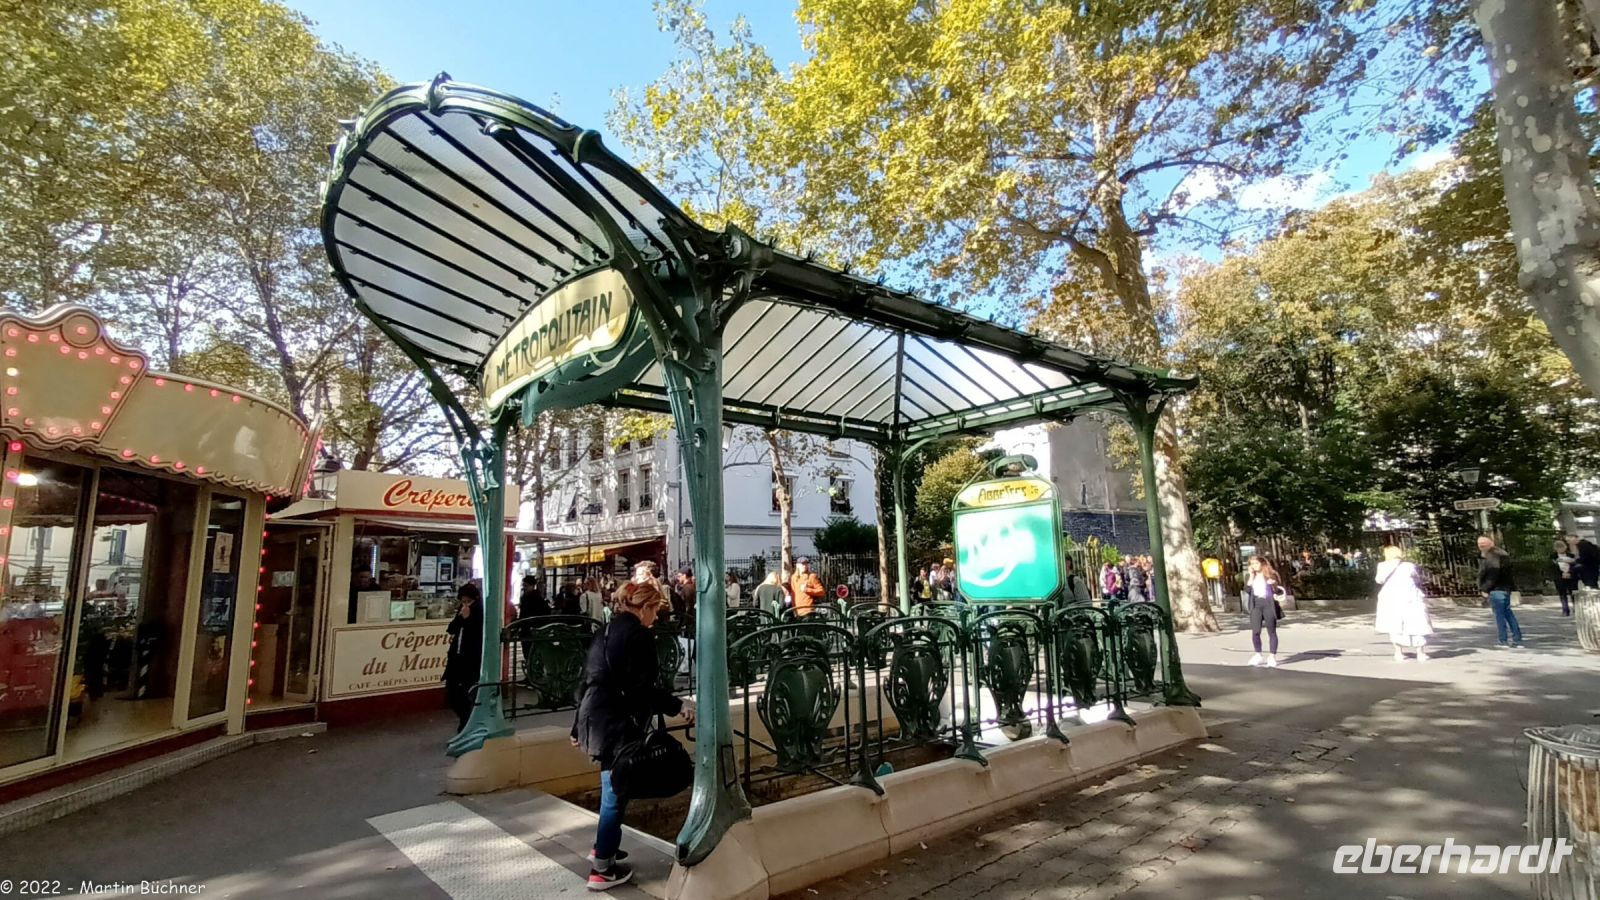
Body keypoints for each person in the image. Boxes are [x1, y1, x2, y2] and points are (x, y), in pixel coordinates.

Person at [570, 579, 694, 891]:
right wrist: (678, 705)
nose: (657, 617)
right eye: (656, 610)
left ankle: (604, 847)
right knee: (615, 790)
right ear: (645, 607)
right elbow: (643, 688)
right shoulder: (639, 635)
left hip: (593, 718)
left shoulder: (605, 630)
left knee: (613, 784)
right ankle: (602, 868)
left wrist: (576, 726)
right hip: (616, 721)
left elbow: (587, 680)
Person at [1374, 546, 1432, 661]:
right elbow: (1417, 578)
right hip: (1410, 597)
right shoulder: (1408, 565)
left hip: (1391, 599)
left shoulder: (1382, 566)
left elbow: (1379, 580)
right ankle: (1420, 653)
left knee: (1395, 626)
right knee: (1417, 623)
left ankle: (1398, 653)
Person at [443, 583, 484, 730]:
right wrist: (461, 617)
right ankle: (465, 720)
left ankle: (466, 723)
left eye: (468, 601)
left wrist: (467, 619)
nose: (465, 604)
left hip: (470, 658)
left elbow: (477, 633)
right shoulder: (463, 610)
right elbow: (451, 629)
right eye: (463, 601)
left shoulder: (480, 612)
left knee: (466, 691)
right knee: (452, 692)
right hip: (456, 657)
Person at [1478, 536, 1523, 647]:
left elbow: (1493, 572)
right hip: (1504, 588)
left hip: (1496, 589)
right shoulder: (1501, 554)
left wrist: (1485, 588)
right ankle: (1517, 638)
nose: (1481, 545)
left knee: (1500, 616)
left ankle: (1503, 640)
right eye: (1479, 544)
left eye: (1483, 543)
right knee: (1508, 614)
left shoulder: (1493, 555)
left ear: (1491, 543)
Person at [1244, 555, 1281, 668]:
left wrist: (1273, 584)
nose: (1254, 566)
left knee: (1271, 631)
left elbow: (1278, 590)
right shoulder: (1251, 576)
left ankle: (1272, 656)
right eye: (1252, 564)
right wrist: (1251, 575)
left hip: (1268, 604)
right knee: (1255, 631)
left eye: (1256, 563)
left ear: (1262, 563)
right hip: (1256, 604)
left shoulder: (1271, 574)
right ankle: (1258, 654)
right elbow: (1247, 590)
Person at [1552, 540, 1579, 617]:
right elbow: (1552, 568)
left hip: (1571, 577)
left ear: (1565, 547)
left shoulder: (1571, 556)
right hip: (1559, 578)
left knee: (1573, 593)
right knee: (1562, 594)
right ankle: (1565, 610)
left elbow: (1575, 566)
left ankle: (1576, 609)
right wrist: (1561, 574)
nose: (1560, 549)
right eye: (1558, 548)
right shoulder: (1553, 557)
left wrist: (1569, 572)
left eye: (1562, 547)